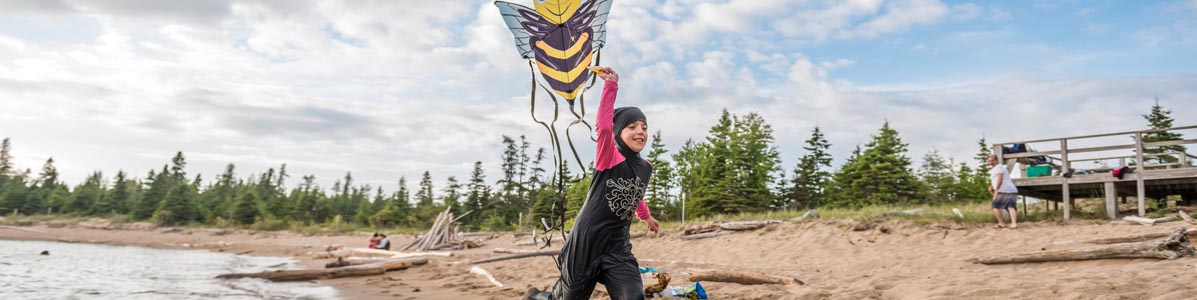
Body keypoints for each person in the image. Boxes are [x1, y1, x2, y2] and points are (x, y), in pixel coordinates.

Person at [526, 67, 661, 300]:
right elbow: (604, 127)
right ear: (619, 132)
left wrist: (645, 216)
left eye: (644, 127)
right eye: (632, 127)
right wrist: (611, 85)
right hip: (586, 243)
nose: (640, 132)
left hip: (618, 247)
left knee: (633, 297)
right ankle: (537, 296)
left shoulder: (645, 167)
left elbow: (635, 193)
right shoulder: (609, 156)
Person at [988, 155, 1019, 229]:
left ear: (996, 160)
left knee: (1001, 206)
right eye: (989, 161)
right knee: (1004, 206)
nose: (991, 162)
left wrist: (996, 190)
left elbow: (1000, 179)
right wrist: (992, 186)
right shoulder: (997, 168)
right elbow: (997, 179)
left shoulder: (999, 167)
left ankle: (1008, 223)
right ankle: (1006, 223)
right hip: (1006, 189)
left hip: (1005, 190)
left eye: (992, 160)